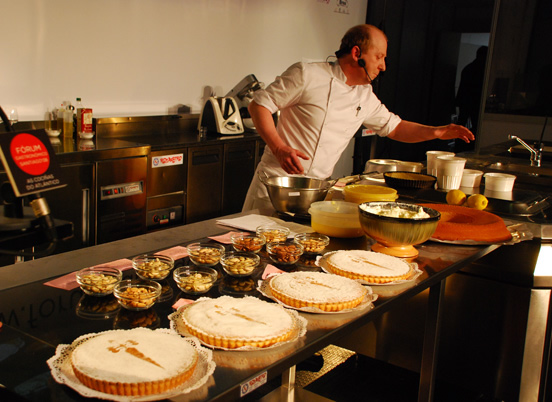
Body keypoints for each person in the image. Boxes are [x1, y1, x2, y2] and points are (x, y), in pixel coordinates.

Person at [242, 24, 474, 211]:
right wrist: (280, 148)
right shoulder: (307, 74)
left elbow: (396, 127)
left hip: (316, 191)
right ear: (357, 53)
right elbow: (259, 106)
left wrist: (435, 132)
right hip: (275, 185)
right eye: (379, 57)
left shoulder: (365, 95)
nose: (383, 66)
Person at [455, 45, 488, 151]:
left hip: (465, 101)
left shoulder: (469, 68)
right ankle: (468, 146)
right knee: (473, 126)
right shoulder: (482, 70)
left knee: (462, 124)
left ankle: (459, 146)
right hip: (474, 102)